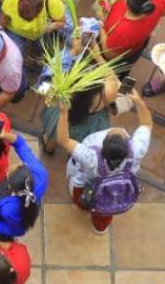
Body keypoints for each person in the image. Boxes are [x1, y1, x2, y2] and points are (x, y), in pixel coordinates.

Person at [60, 93, 150, 232]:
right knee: (104, 215)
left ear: (103, 146)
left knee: (81, 200)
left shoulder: (91, 158)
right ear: (127, 144)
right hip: (115, 193)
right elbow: (146, 123)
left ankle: (84, 208)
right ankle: (99, 228)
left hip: (86, 189)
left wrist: (64, 113)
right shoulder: (137, 150)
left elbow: (64, 140)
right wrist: (138, 101)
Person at [100, 0, 165, 64]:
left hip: (118, 53)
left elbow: (109, 55)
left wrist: (101, 27)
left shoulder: (123, 31)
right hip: (136, 46)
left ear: (127, 3)